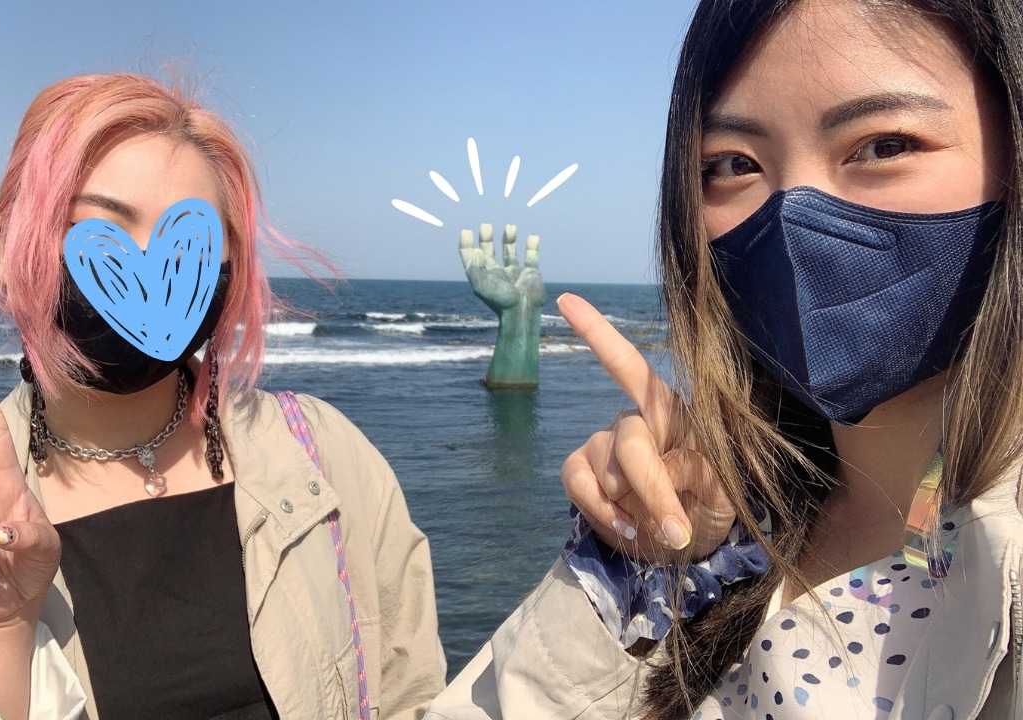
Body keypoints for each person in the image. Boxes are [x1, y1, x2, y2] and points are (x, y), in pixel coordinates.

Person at [427, 0, 1023, 717]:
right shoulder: (727, 527)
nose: (793, 216)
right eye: (733, 164)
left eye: (886, 145)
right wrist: (643, 568)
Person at [0, 73, 445, 720]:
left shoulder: (326, 459)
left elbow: (418, 698)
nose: (149, 267)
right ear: (8, 247)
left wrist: (568, 571)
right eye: (100, 227)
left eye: (189, 237)